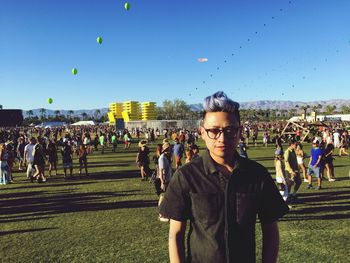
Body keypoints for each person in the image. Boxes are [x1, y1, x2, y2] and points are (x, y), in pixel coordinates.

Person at [159, 91, 289, 263]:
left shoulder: (257, 175)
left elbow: (270, 230)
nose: (222, 138)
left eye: (230, 130)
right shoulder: (186, 175)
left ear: (240, 131)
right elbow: (175, 234)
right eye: (214, 131)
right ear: (202, 132)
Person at [158, 142, 173, 222]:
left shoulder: (167, 157)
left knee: (165, 196)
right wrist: (162, 181)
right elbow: (161, 170)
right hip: (165, 180)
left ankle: (164, 213)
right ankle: (161, 214)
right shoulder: (162, 158)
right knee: (163, 197)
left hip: (168, 179)